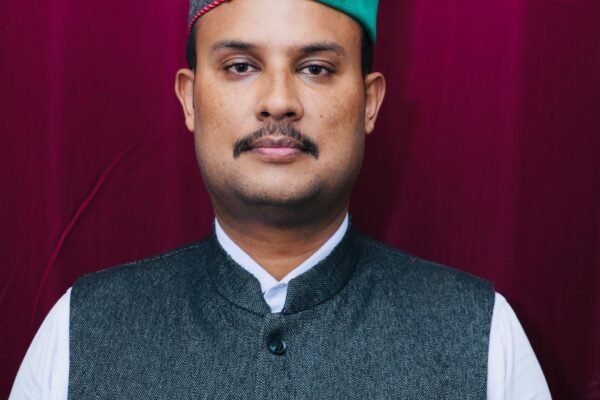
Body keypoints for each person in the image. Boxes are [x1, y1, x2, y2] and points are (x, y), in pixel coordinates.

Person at [11, 0, 552, 398]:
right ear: (190, 98)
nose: (277, 101)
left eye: (315, 68)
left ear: (368, 102)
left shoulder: (479, 335)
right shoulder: (81, 332)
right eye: (241, 66)